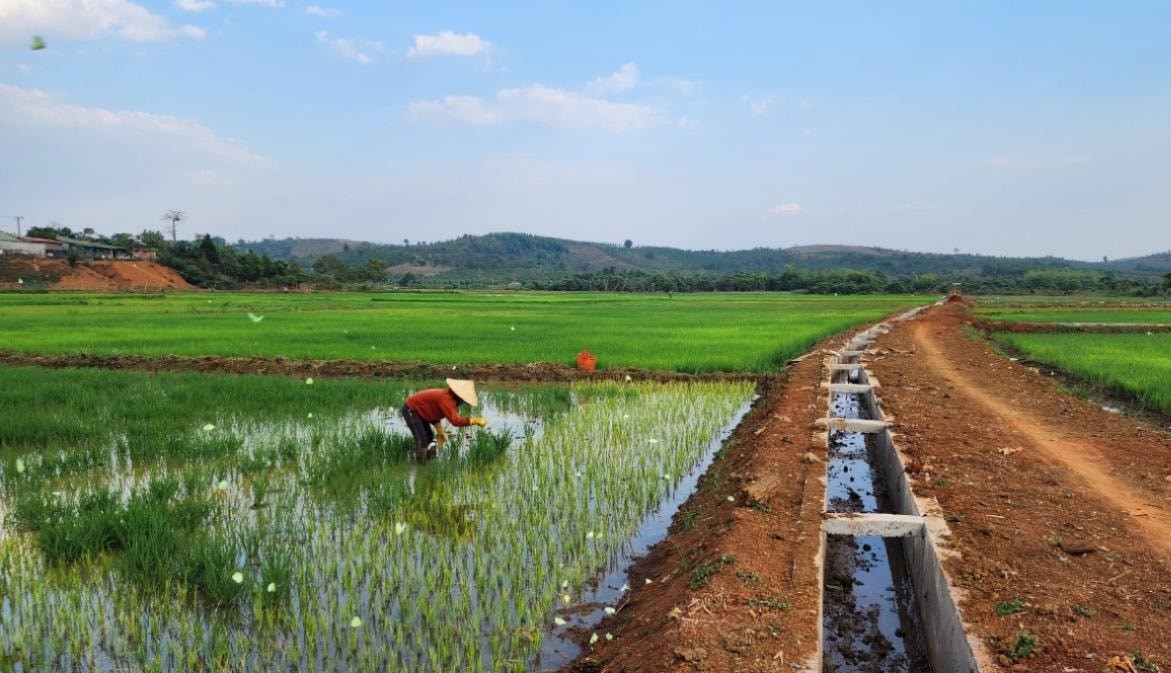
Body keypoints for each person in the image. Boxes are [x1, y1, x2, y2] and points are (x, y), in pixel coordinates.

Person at [401, 378, 488, 460]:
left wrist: (439, 429)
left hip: (420, 411)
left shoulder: (448, 397)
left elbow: (432, 411)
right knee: (422, 440)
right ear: (460, 397)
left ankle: (430, 461)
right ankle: (420, 464)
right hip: (411, 409)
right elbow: (456, 421)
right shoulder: (447, 400)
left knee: (429, 437)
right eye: (464, 401)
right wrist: (474, 421)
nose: (463, 403)